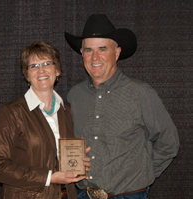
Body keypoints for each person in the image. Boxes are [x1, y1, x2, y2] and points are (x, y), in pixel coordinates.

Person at [65, 14, 180, 199]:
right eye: (88, 50)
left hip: (128, 195)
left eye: (102, 49)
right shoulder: (74, 95)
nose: (95, 57)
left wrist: (143, 173)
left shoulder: (141, 93)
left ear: (116, 53)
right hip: (83, 195)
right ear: (81, 53)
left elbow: (169, 142)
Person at [0, 41, 91, 199]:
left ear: (57, 70)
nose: (41, 70)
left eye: (46, 63)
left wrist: (78, 161)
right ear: (27, 75)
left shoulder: (68, 111)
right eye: (33, 66)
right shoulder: (12, 113)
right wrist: (48, 177)